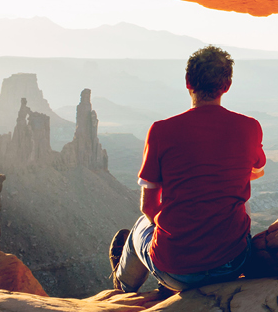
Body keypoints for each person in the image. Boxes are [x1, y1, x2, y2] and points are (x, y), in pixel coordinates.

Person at [111, 46, 266, 293]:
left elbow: (149, 207)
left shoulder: (162, 131)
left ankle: (122, 289)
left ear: (187, 82)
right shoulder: (249, 127)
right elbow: (257, 169)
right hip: (232, 265)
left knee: (139, 227)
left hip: (176, 271)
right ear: (227, 86)